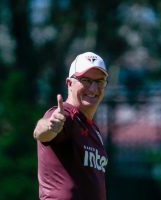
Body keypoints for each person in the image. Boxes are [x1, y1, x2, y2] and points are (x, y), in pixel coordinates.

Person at [33, 52, 109, 200]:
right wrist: (50, 126)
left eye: (100, 81)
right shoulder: (64, 116)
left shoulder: (94, 129)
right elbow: (41, 132)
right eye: (86, 80)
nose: (93, 88)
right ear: (69, 83)